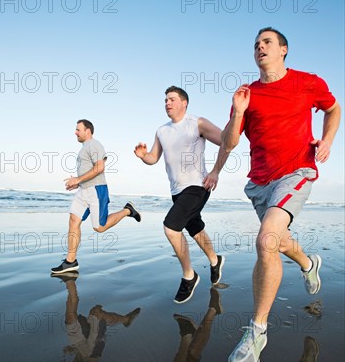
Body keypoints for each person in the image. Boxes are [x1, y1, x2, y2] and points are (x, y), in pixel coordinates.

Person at [222, 27, 341, 362]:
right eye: (256, 44)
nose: (260, 47)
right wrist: (238, 111)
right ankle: (308, 264)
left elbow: (333, 109)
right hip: (259, 183)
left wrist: (327, 139)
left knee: (266, 240)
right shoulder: (247, 94)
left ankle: (257, 331)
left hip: (296, 173)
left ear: (283, 50)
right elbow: (229, 142)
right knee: (278, 241)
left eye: (267, 42)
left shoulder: (307, 83)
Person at [134, 86, 228, 303]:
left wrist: (215, 171)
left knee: (171, 227)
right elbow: (153, 158)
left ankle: (189, 275)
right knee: (195, 228)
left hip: (198, 186)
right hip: (176, 190)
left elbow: (227, 141)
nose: (167, 103)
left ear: (184, 103)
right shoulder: (162, 131)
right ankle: (215, 261)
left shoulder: (197, 123)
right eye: (165, 100)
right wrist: (143, 156)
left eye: (172, 99)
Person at [52, 119, 141, 274]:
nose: (75, 132)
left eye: (78, 129)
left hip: (96, 190)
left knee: (99, 227)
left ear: (88, 131)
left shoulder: (94, 144)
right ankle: (70, 262)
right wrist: (77, 183)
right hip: (83, 191)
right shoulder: (84, 148)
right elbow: (88, 171)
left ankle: (127, 210)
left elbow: (99, 167)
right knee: (74, 221)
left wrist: (78, 180)